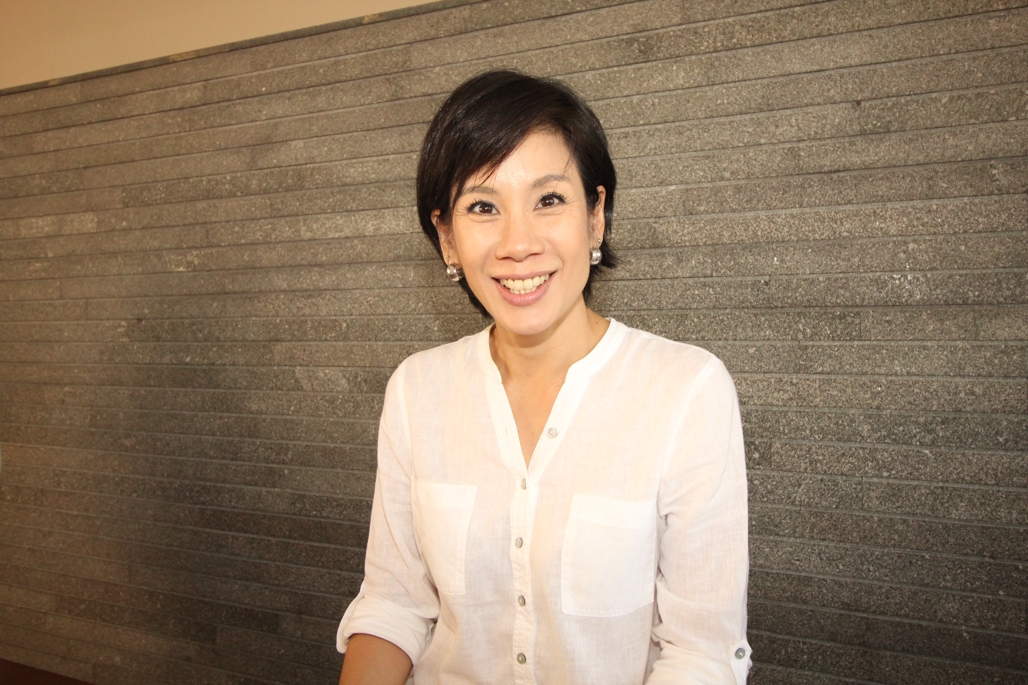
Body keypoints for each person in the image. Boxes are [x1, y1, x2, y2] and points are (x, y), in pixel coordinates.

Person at [336, 70, 751, 685]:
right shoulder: (416, 390)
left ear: (596, 216)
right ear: (447, 238)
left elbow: (699, 654)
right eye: (483, 207)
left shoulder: (687, 391)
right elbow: (394, 602)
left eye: (549, 200)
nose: (518, 243)